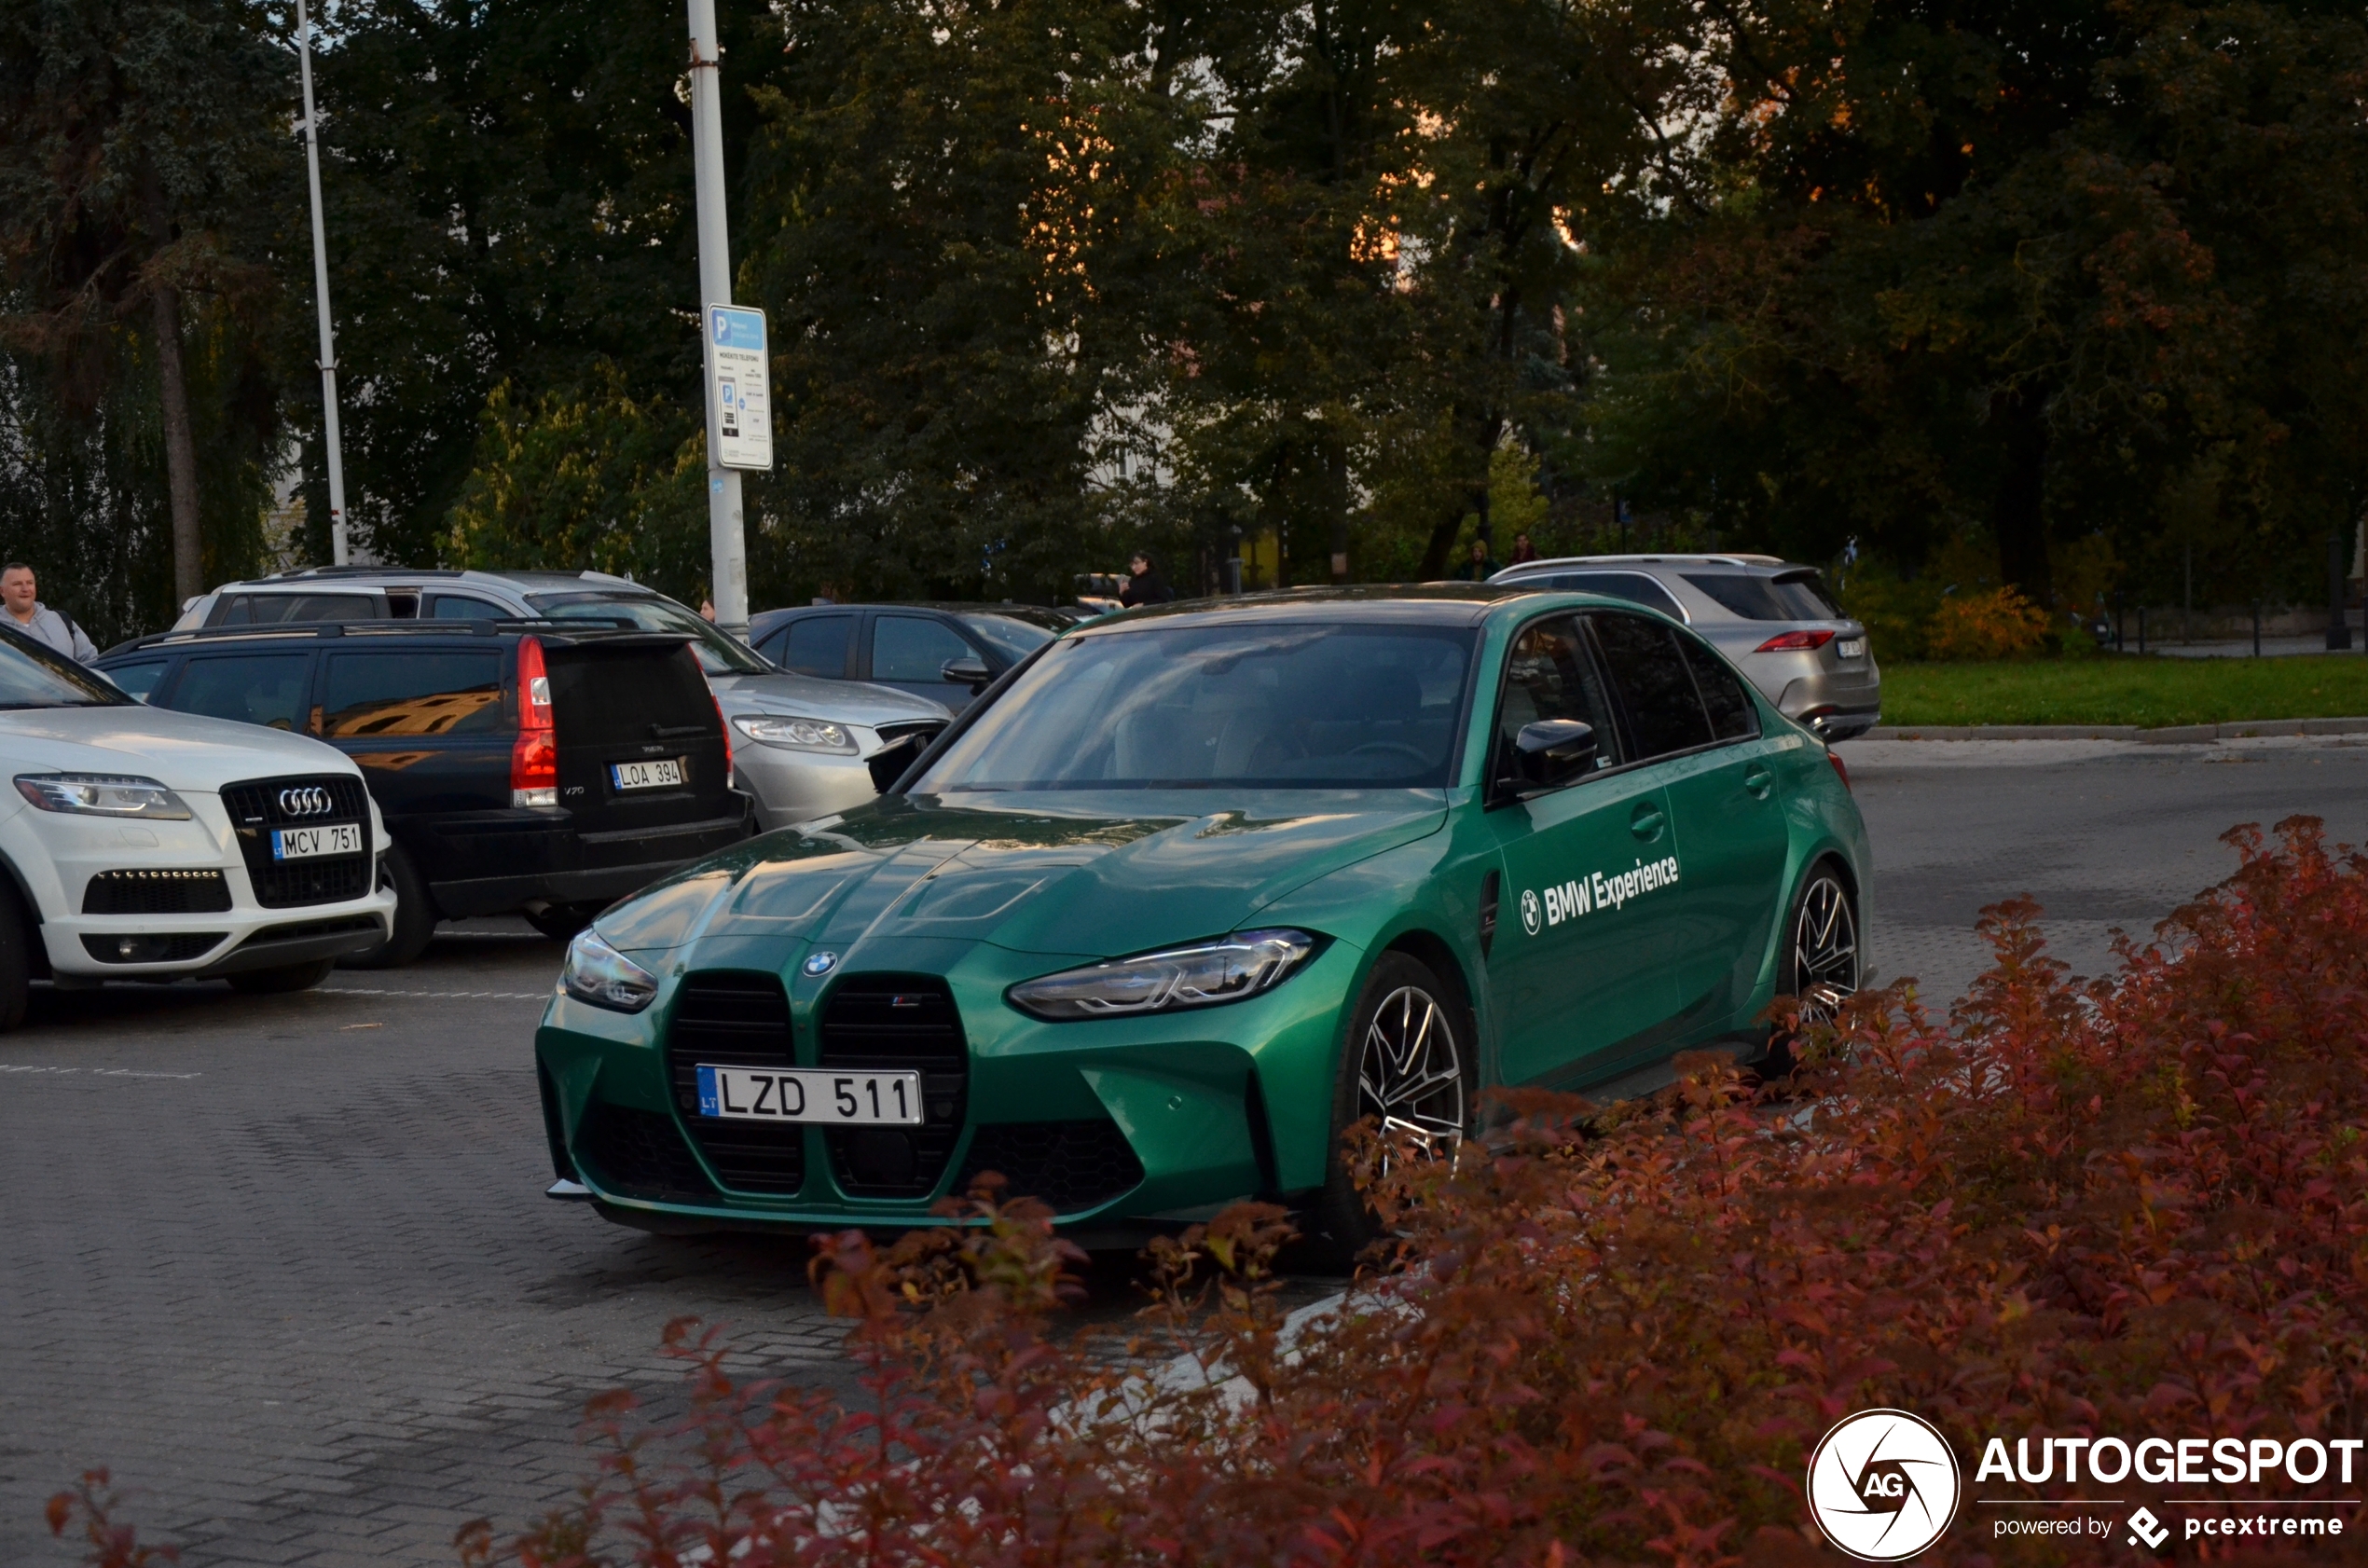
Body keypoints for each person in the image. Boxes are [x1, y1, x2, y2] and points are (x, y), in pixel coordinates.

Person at [0, 564, 96, 663]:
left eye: (30, 583)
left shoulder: (62, 620)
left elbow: (91, 660)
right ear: (2, 591)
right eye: (17, 584)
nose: (25, 589)